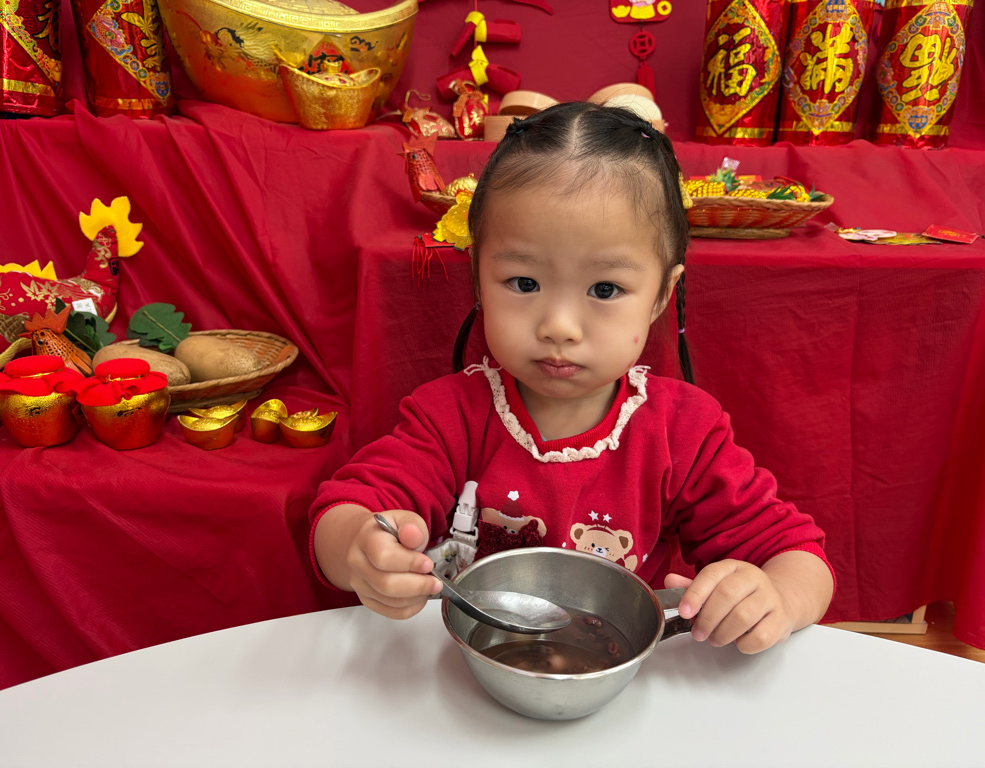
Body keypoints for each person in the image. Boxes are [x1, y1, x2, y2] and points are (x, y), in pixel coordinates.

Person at [309, 102, 834, 654]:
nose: (559, 326)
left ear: (661, 294)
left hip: (628, 681)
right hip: (467, 675)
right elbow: (342, 514)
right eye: (523, 282)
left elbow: (799, 558)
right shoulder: (450, 416)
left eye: (605, 289)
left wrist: (776, 596)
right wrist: (361, 550)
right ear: (478, 277)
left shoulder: (684, 430)